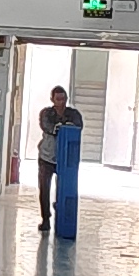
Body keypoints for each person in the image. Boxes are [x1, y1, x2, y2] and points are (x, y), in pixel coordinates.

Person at [39, 86, 84, 241]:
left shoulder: (73, 114)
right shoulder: (46, 113)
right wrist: (59, 127)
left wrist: (66, 126)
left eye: (63, 99)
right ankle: (45, 218)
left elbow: (78, 126)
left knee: (64, 189)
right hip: (47, 157)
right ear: (52, 99)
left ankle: (61, 212)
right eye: (58, 99)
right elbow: (47, 126)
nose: (61, 102)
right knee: (44, 188)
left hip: (65, 159)